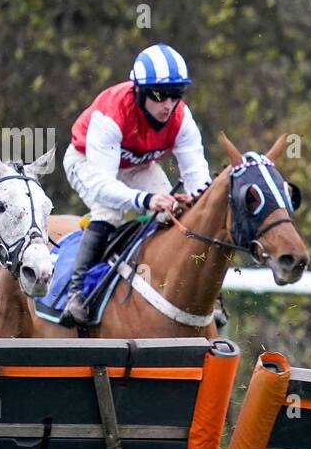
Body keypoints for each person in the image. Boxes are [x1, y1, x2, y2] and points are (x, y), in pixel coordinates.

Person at [60, 43, 212, 326]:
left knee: (174, 213)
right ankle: (77, 293)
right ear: (139, 91)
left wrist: (197, 202)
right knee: (109, 210)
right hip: (88, 163)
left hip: (136, 166)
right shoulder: (111, 115)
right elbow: (102, 186)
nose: (168, 104)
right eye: (159, 95)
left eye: (176, 95)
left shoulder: (182, 118)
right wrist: (145, 199)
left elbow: (197, 177)